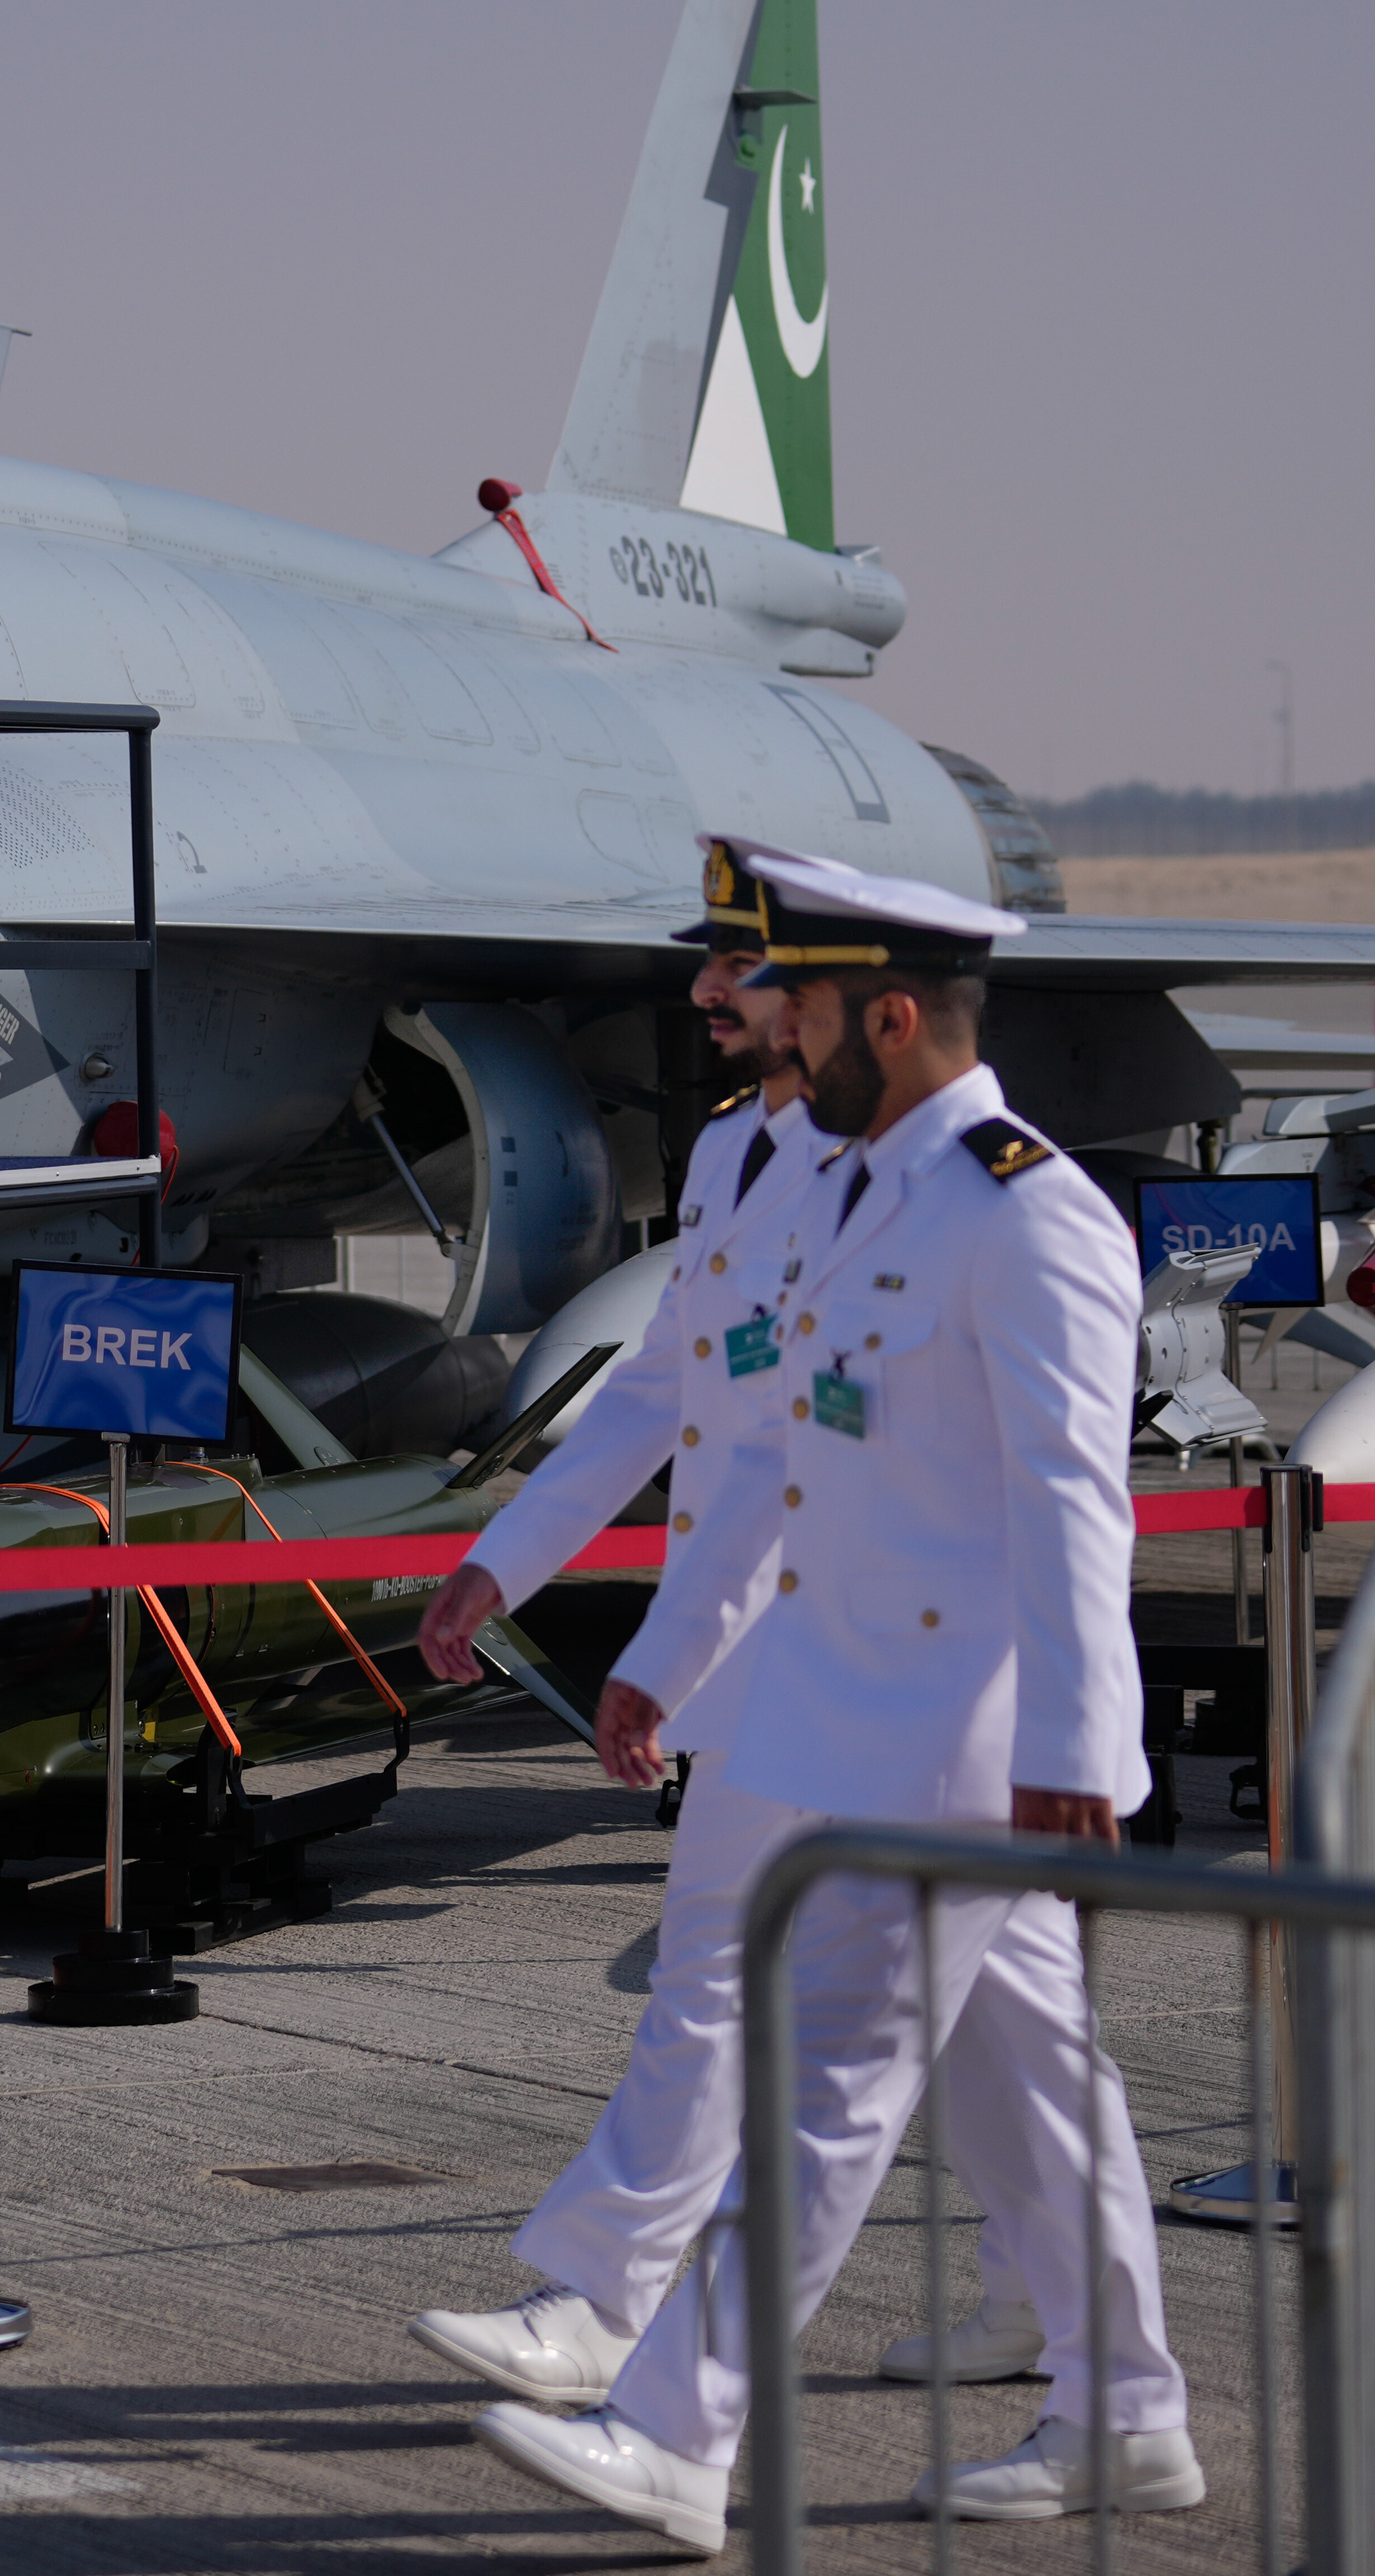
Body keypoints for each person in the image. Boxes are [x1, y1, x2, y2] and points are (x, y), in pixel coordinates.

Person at [468, 847, 1196, 2556]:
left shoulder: (1028, 1213)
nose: (765, 1026)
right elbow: (774, 1458)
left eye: (793, 999)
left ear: (888, 1015)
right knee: (1030, 2084)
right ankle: (1127, 2414)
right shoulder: (862, 1190)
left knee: (829, 2086)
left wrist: (1080, 1757)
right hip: (854, 1706)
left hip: (963, 1738)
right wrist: (664, 1656)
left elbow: (1076, 1506)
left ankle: (676, 2431)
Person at [406, 843, 1048, 2416]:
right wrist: (508, 1560)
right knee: (976, 2019)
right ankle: (1071, 2315)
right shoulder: (732, 1153)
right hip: (772, 1645)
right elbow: (669, 1388)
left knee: (789, 1989)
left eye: (742, 968)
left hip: (881, 1657)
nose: (706, 992)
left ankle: (617, 2321)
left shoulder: (912, 1173)